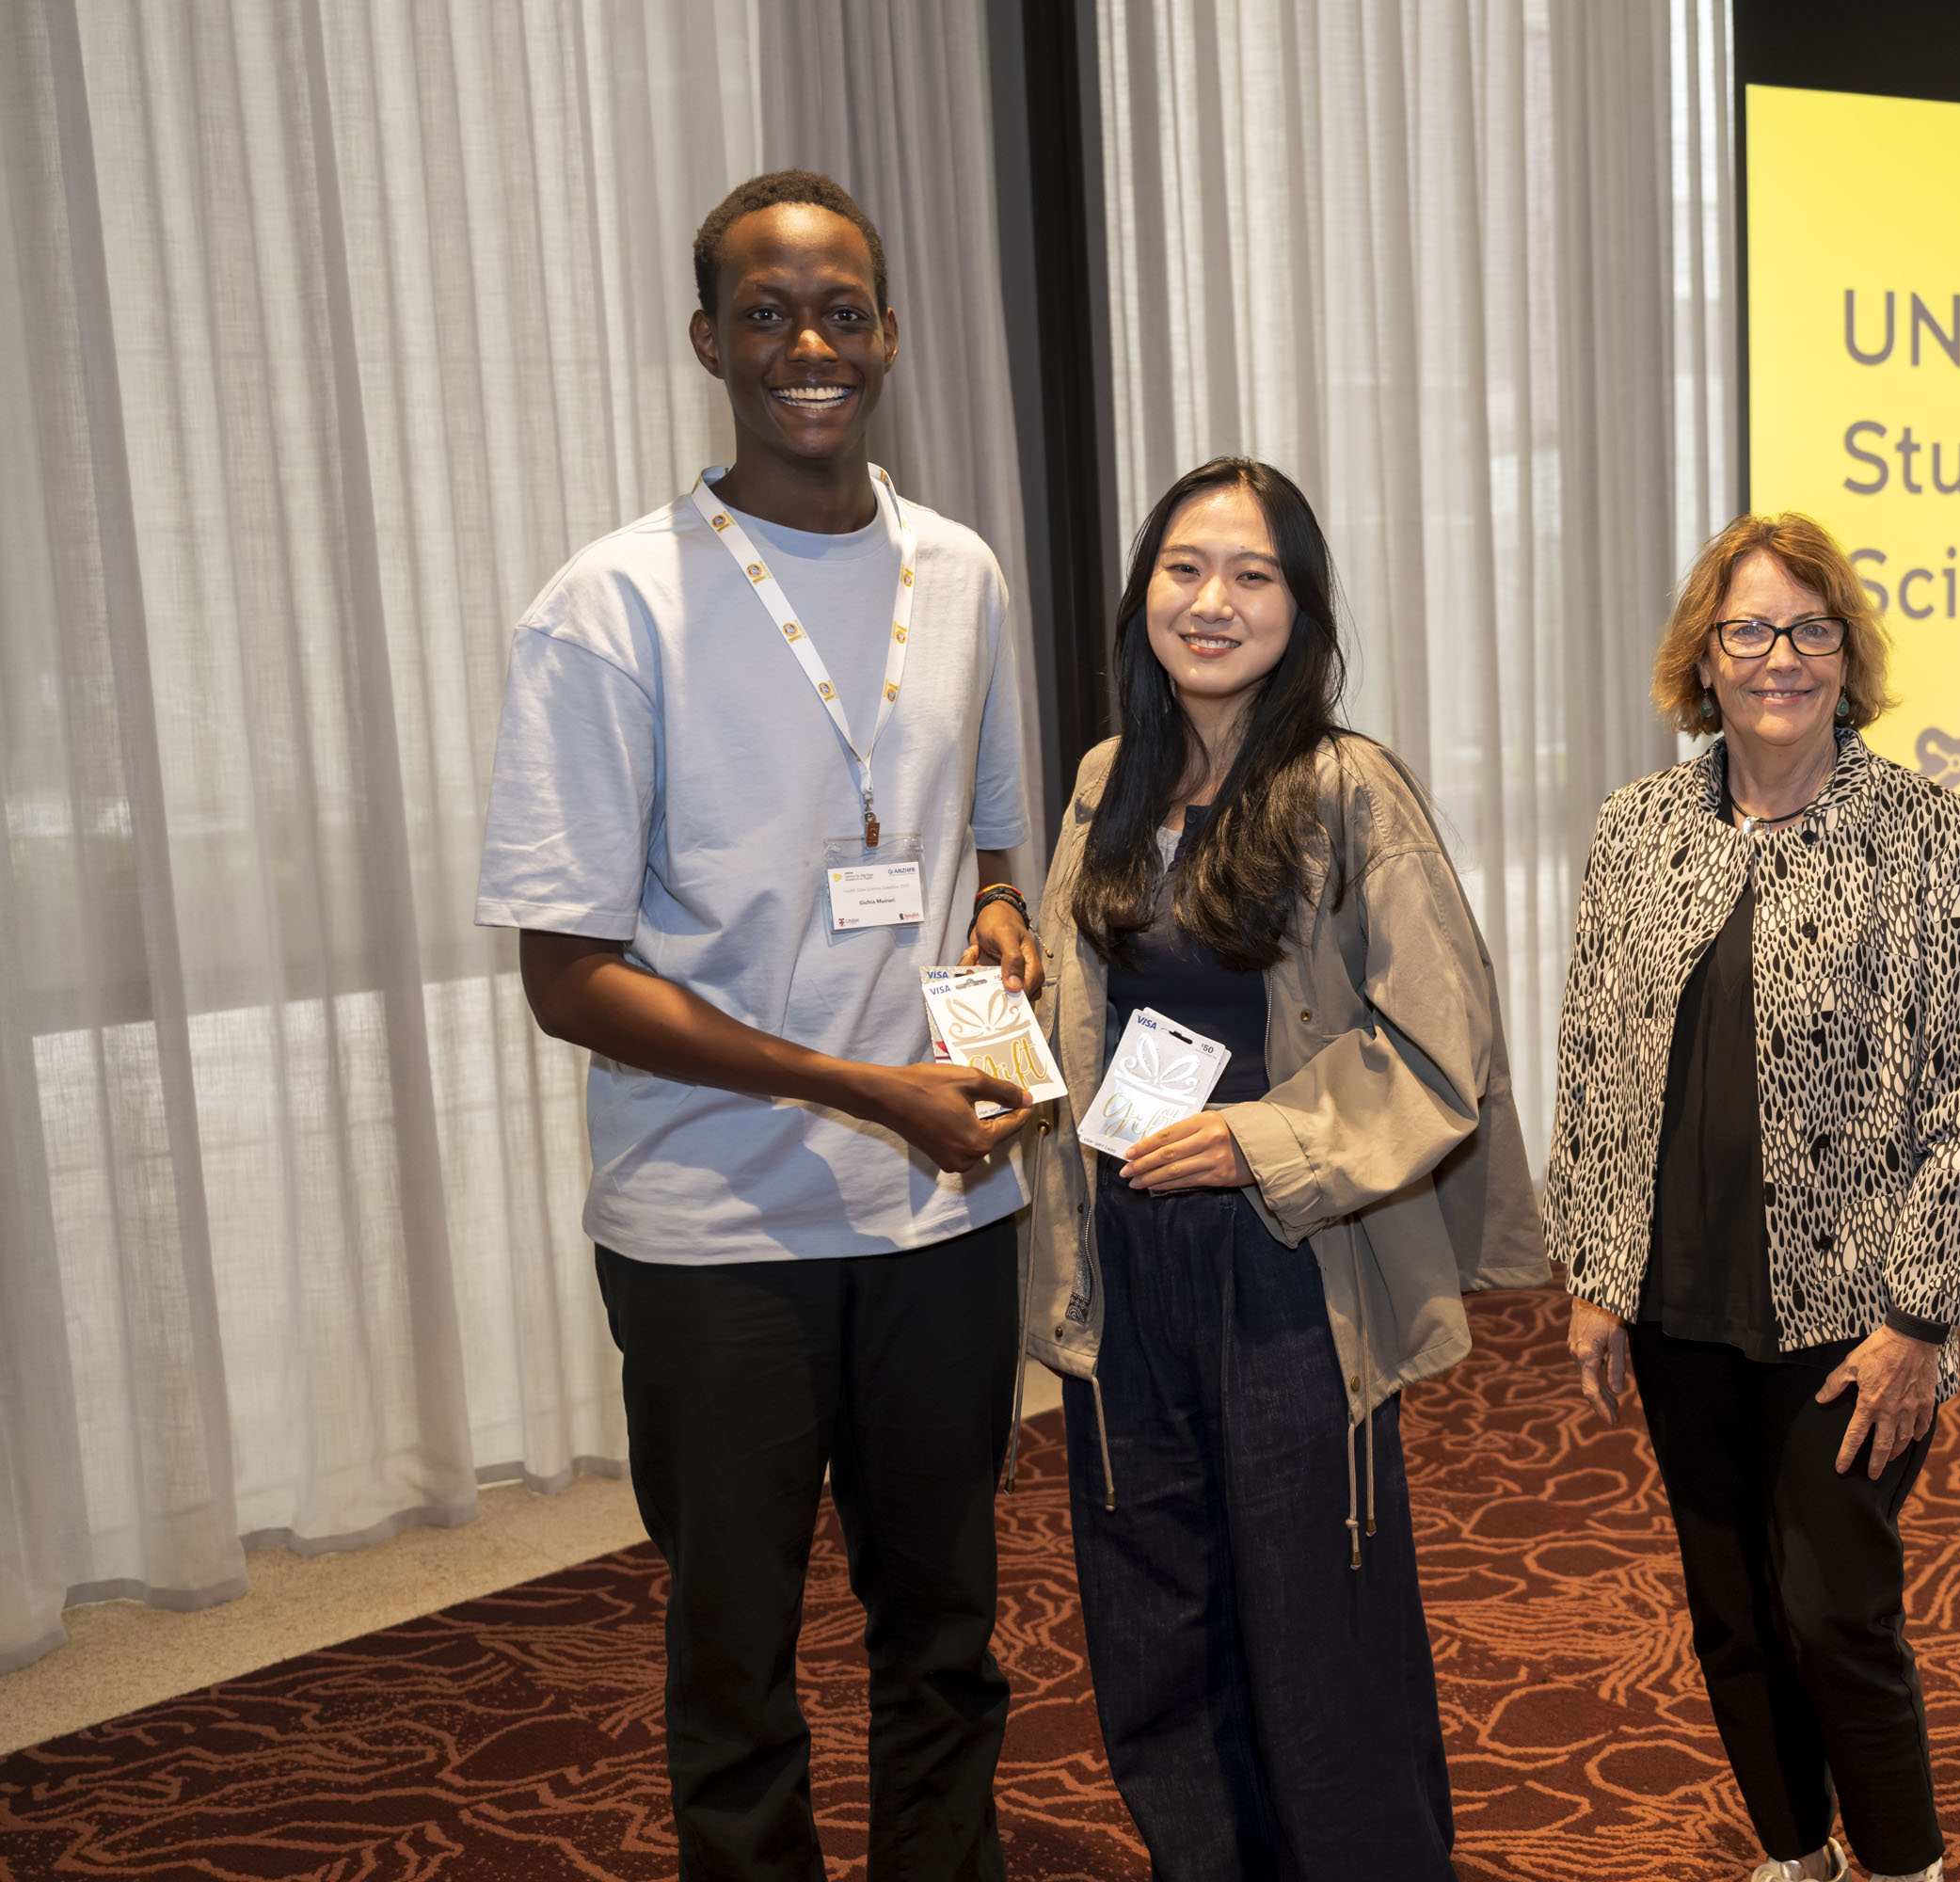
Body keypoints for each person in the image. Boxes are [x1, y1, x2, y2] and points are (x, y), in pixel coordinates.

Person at [475, 169, 1042, 1879]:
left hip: (945, 1203)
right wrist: (860, 1089)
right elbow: (566, 976)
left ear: (887, 334)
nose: (812, 345)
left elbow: (986, 851)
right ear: (709, 339)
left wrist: (1001, 928)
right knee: (738, 1658)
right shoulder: (610, 605)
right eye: (772, 312)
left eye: (844, 311)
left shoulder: (961, 570)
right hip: (714, 1224)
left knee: (945, 1628)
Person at [1017, 456, 1546, 1880]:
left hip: (1288, 1271)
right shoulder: (1101, 785)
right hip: (1123, 1280)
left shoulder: (1343, 788)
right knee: (1156, 1644)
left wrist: (1258, 1139)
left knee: (1323, 1653)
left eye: (1254, 575)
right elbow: (1085, 1014)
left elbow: (1447, 1047)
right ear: (1143, 596)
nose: (1213, 601)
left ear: (1301, 610)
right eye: (1185, 568)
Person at [1544, 513, 1960, 1882]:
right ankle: (1796, 1852)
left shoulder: (1933, 838)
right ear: (1706, 656)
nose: (1779, 657)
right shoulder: (1637, 831)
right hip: (1681, 1297)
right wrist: (1593, 1273)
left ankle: (1907, 1866)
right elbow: (1592, 1059)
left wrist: (1923, 1321)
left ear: (1848, 657)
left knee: (1833, 1613)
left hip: (1851, 1318)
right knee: (1732, 1610)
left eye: (1811, 629)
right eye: (1748, 629)